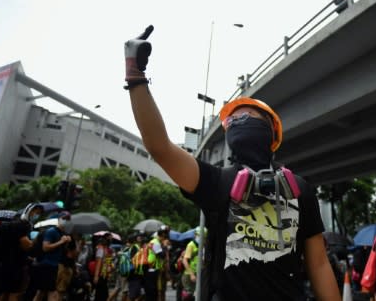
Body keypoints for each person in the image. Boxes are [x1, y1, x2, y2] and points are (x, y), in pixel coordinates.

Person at [124, 25, 341, 301]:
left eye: (247, 115)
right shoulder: (217, 182)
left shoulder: (299, 188)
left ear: (271, 132)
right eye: (232, 120)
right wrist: (135, 75)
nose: (238, 121)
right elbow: (160, 147)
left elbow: (319, 264)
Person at [0, 202, 43, 301]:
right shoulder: (22, 226)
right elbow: (27, 246)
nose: (36, 215)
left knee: (5, 293)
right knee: (14, 294)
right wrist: (37, 239)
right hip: (15, 266)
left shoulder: (9, 225)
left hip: (4, 263)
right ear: (29, 211)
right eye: (35, 212)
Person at [33, 211, 73, 301]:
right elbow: (45, 247)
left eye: (68, 220)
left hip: (55, 266)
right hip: (47, 265)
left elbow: (61, 250)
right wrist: (61, 242)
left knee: (42, 292)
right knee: (49, 293)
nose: (66, 221)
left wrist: (66, 243)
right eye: (64, 219)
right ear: (59, 220)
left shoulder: (63, 233)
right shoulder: (51, 231)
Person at [92, 232, 115, 301]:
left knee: (101, 293)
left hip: (103, 274)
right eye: (110, 239)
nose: (111, 240)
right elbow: (99, 262)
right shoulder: (102, 249)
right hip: (102, 274)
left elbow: (102, 262)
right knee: (101, 293)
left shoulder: (105, 249)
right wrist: (96, 276)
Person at [181, 227, 201, 300]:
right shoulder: (191, 245)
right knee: (189, 295)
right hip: (189, 274)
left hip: (199, 273)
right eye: (199, 235)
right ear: (195, 235)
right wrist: (191, 274)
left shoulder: (203, 245)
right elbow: (184, 260)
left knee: (197, 294)